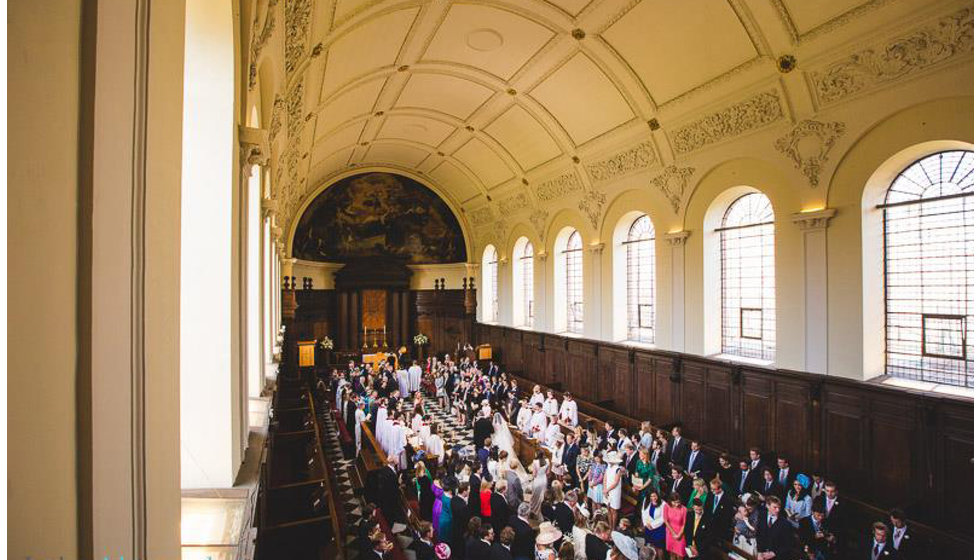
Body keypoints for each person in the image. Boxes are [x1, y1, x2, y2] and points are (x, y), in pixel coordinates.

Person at [755, 496, 794, 560]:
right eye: (775, 507)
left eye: (779, 508)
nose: (777, 510)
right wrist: (759, 552)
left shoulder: (785, 524)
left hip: (777, 557)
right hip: (761, 554)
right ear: (767, 506)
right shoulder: (761, 515)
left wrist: (774, 553)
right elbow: (759, 535)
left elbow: (788, 545)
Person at [662, 492, 687, 560]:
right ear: (670, 501)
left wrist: (679, 534)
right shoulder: (666, 506)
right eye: (674, 502)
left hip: (680, 534)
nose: (677, 504)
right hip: (670, 532)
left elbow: (684, 524)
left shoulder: (684, 509)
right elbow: (665, 520)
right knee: (672, 553)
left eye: (678, 502)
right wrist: (673, 532)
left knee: (680, 555)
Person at [603, 451, 624, 527]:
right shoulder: (608, 466)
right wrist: (604, 489)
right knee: (608, 508)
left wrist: (607, 490)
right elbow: (605, 478)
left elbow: (616, 482)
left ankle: (613, 527)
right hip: (607, 490)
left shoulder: (618, 469)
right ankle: (610, 525)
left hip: (614, 491)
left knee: (613, 510)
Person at [529, 450, 550, 520]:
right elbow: (548, 473)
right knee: (542, 496)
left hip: (537, 480)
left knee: (535, 496)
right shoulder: (547, 461)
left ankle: (533, 510)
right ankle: (539, 510)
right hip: (544, 480)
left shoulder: (535, 462)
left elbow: (534, 474)